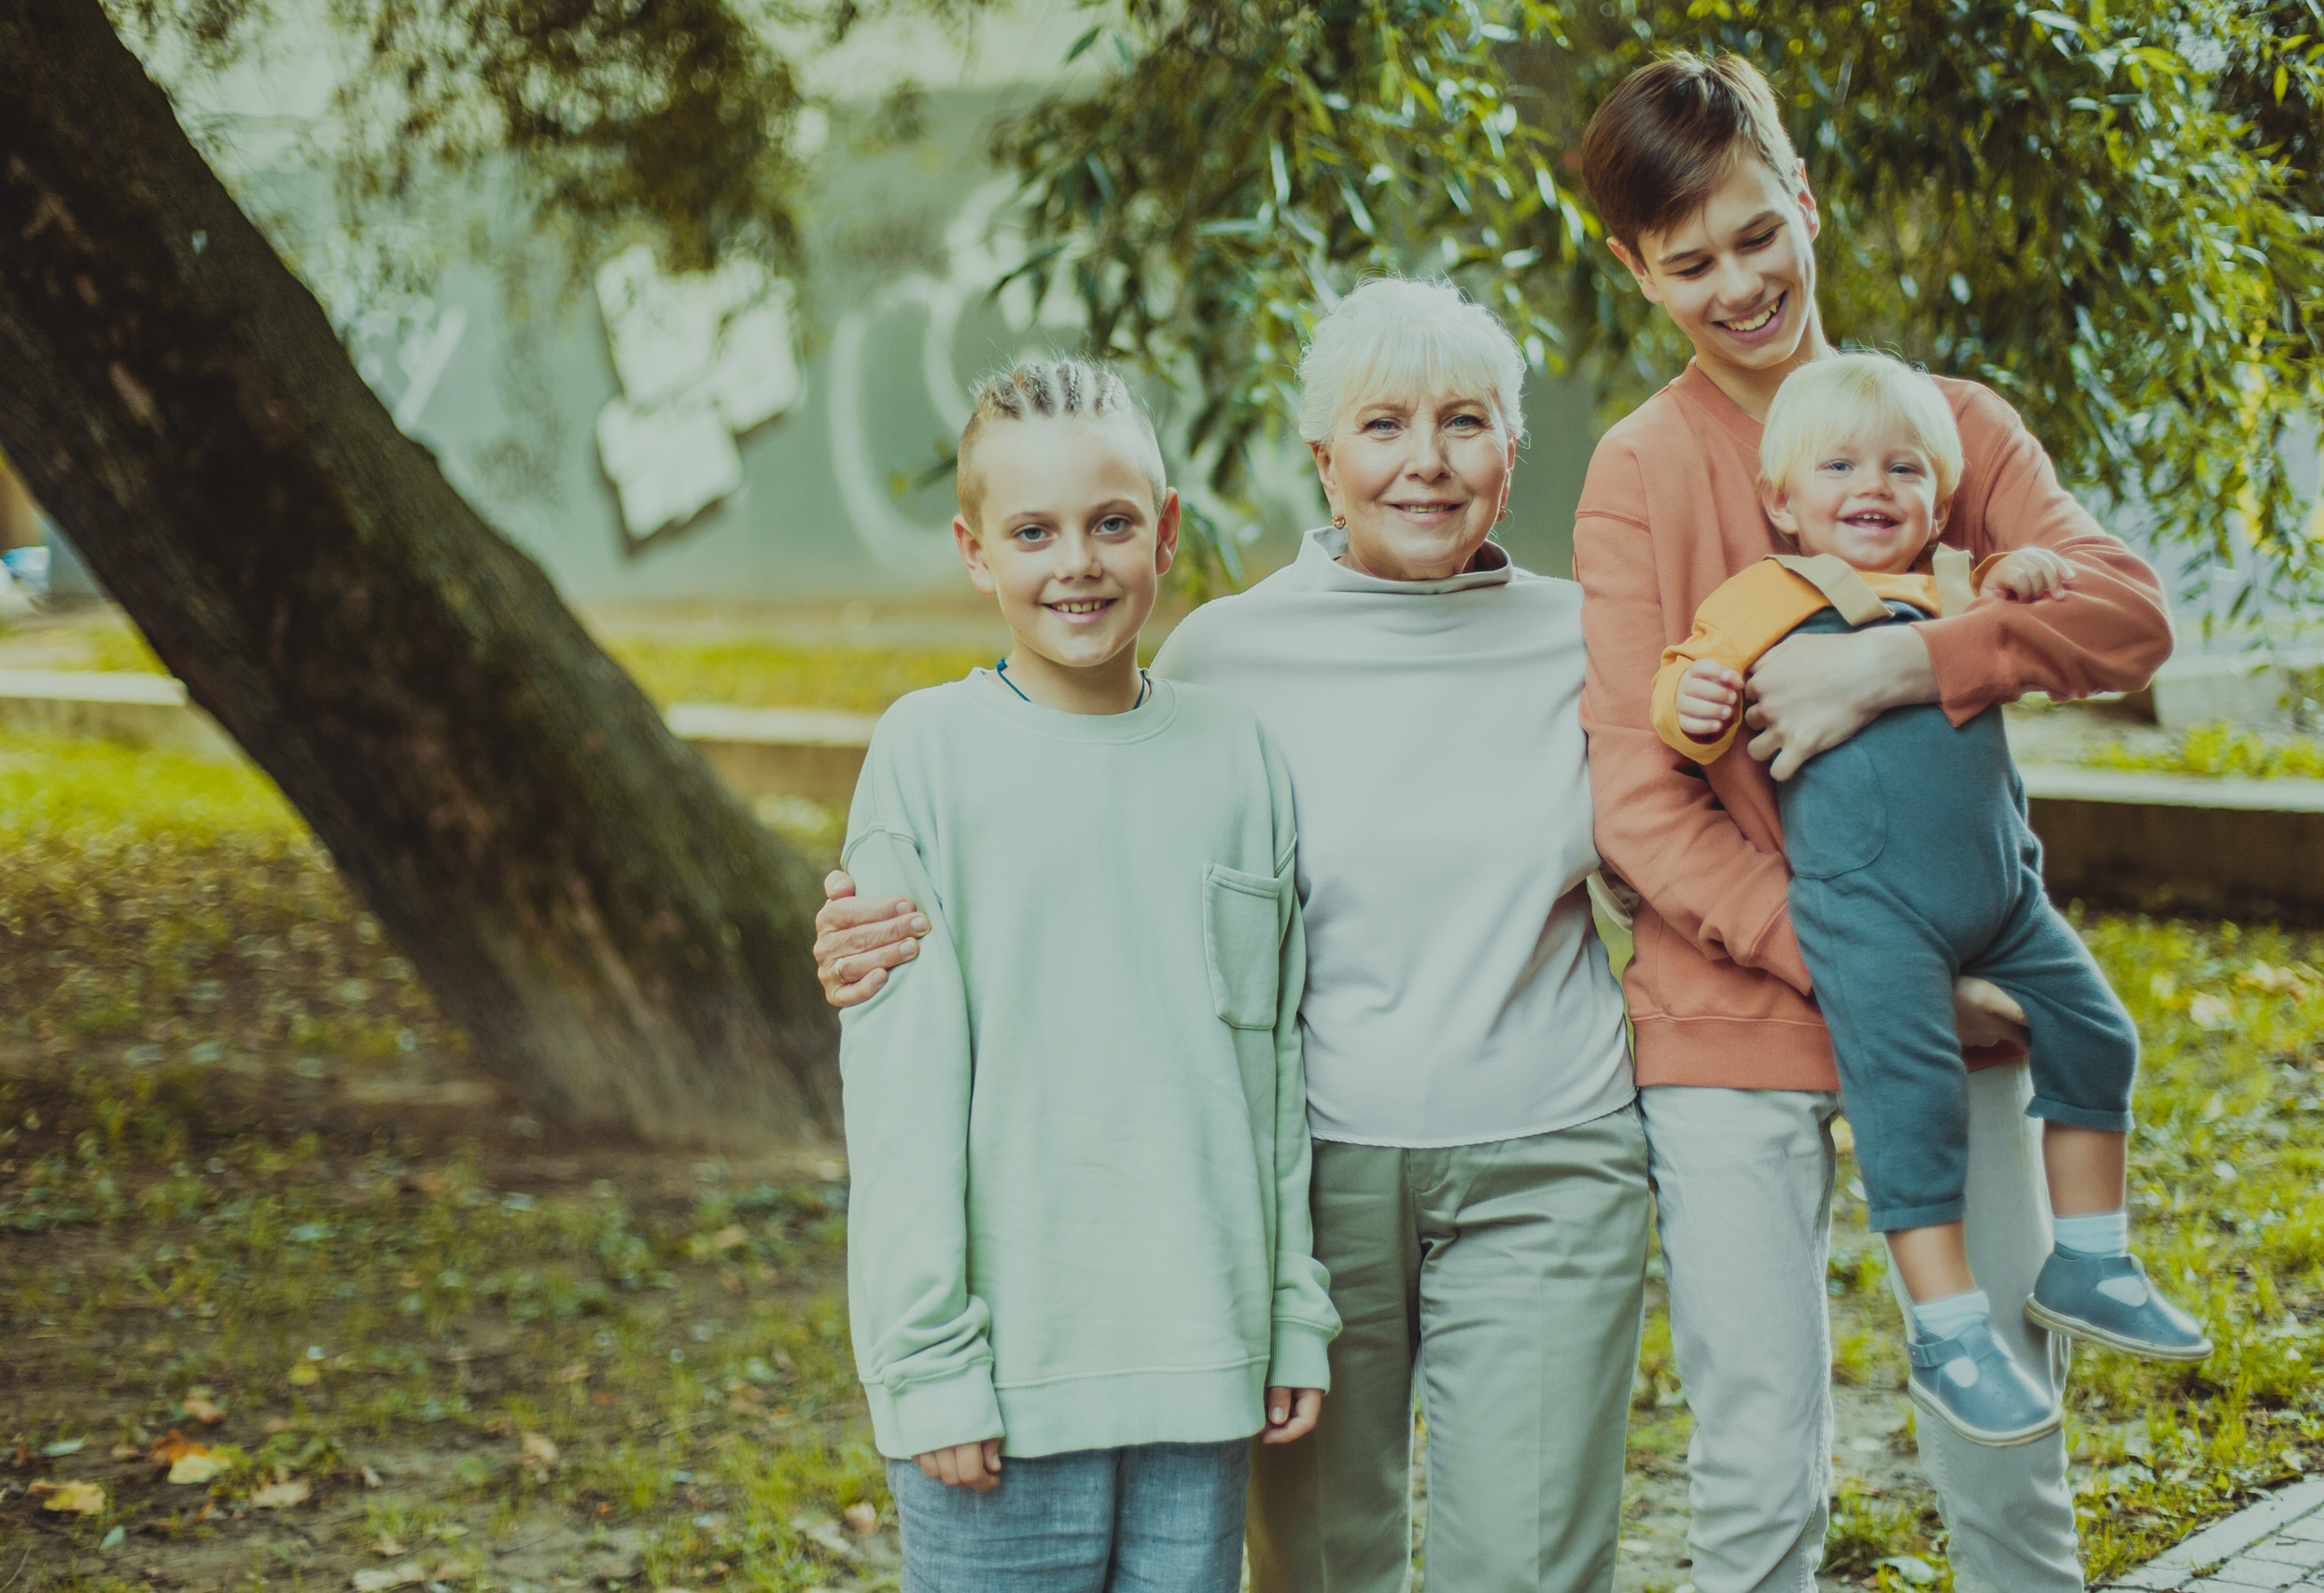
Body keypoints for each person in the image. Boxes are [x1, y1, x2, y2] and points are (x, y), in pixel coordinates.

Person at [819, 276, 1650, 1593]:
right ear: (1325, 463)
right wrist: (863, 936)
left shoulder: (1592, 643)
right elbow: (1048, 889)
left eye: (1466, 423)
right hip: (1318, 1169)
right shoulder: (1221, 666)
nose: (1426, 460)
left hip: (1535, 1144)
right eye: (1383, 424)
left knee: (1533, 1563)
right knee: (1318, 1564)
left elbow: (1692, 854)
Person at [1573, 54, 2176, 1593]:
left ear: (1806, 205)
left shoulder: (1939, 426)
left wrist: (1900, 661)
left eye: (1757, 235)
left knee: (2009, 1447)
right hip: (1734, 1015)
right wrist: (1857, 967)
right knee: (1762, 1466)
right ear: (1636, 270)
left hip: (1970, 1004)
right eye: (1689, 262)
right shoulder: (1640, 469)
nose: (1738, 285)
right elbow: (1641, 801)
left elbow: (2125, 620)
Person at [836, 356, 1337, 1593]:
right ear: (974, 549)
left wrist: (1289, 1311)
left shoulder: (1238, 756)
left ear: (1164, 531)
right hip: (1005, 1385)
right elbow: (899, 1098)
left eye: (1113, 523)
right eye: (1034, 530)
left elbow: (1266, 1064)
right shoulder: (926, 755)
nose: (1080, 562)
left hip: (1202, 1364)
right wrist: (927, 1361)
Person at [1654, 352, 2210, 1446]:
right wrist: (1697, 695)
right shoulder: (1767, 594)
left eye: (1904, 467)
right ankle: (1948, 1330)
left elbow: (2077, 624)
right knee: (1913, 1108)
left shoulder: (1960, 585)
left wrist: (2031, 578)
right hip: (1874, 916)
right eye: (1839, 464)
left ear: (1939, 497)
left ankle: (2091, 1256)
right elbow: (1681, 695)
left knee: (2100, 1038)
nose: (1874, 484)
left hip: (2002, 898)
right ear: (1782, 500)